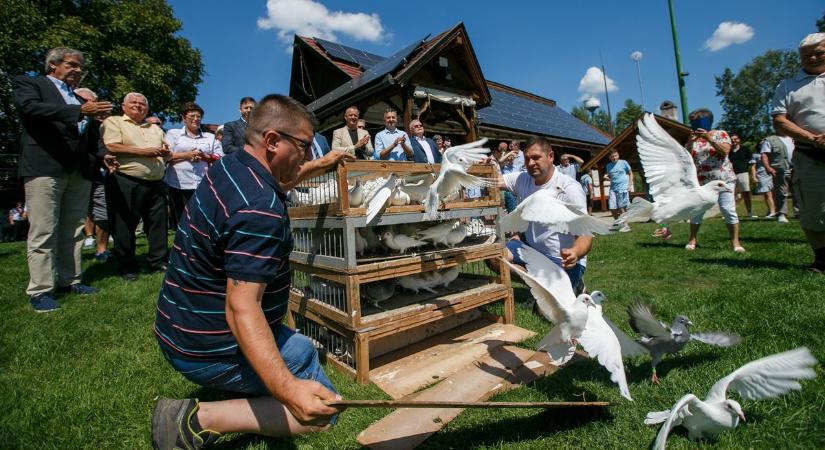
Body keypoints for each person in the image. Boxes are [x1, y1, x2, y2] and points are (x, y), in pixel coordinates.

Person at [151, 94, 352, 449]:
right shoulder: (261, 210)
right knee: (324, 407)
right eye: (305, 146)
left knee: (301, 348)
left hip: (177, 323)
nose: (309, 154)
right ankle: (195, 419)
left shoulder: (233, 166)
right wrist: (290, 392)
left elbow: (283, 177)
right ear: (273, 140)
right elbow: (241, 307)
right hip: (203, 345)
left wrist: (325, 164)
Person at [13, 47, 112, 312]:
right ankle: (41, 290)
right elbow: (29, 108)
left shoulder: (80, 98)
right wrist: (80, 111)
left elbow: (89, 135)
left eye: (81, 67)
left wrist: (103, 155)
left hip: (78, 171)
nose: (78, 71)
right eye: (72, 65)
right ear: (53, 64)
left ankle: (71, 280)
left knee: (74, 229)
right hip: (45, 166)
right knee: (44, 230)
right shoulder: (32, 84)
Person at [498, 136, 591, 293]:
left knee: (548, 315)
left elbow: (585, 237)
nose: (530, 163)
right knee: (495, 255)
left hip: (561, 260)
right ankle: (540, 287)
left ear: (550, 156)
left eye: (536, 157)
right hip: (533, 252)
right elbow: (494, 181)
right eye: (527, 159)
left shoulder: (570, 189)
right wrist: (486, 167)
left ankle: (573, 284)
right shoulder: (522, 178)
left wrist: (575, 252)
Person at [771, 32, 825, 273]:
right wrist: (813, 139)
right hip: (810, 156)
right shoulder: (788, 86)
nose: (812, 58)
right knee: (811, 210)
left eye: (819, 52)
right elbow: (780, 121)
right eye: (806, 55)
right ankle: (822, 260)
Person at [102, 92, 170, 281]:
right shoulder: (114, 122)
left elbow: (165, 151)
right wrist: (143, 152)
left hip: (156, 181)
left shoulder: (154, 128)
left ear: (147, 109)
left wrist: (164, 152)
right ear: (123, 106)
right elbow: (111, 146)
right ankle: (127, 265)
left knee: (158, 224)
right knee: (124, 224)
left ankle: (158, 261)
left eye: (142, 104)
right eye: (133, 102)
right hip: (126, 179)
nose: (138, 105)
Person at [684, 108, 745, 253]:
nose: (695, 124)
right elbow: (687, 158)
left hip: (724, 180)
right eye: (692, 122)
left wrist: (709, 138)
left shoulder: (720, 134)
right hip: (703, 182)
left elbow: (725, 151)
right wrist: (691, 142)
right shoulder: (693, 139)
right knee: (697, 211)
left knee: (728, 209)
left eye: (697, 121)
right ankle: (692, 240)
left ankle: (735, 243)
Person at [164, 102, 223, 226]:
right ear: (184, 118)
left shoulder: (210, 137)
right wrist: (186, 155)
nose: (196, 119)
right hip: (178, 183)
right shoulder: (173, 134)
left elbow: (219, 156)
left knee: (203, 218)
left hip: (202, 183)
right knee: (182, 218)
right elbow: (165, 156)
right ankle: (183, 244)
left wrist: (204, 157)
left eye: (198, 117)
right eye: (192, 116)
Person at [74, 87, 112, 261]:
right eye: (82, 101)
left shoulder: (97, 126)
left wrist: (106, 156)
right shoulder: (64, 121)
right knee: (73, 216)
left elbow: (100, 146)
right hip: (71, 173)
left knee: (103, 213)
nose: (87, 105)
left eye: (90, 101)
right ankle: (72, 253)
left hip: (95, 174)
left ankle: (102, 248)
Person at [759, 134, 794, 223]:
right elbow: (764, 155)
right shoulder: (769, 140)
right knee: (781, 192)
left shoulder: (793, 138)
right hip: (780, 169)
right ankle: (781, 214)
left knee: (799, 191)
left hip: (796, 168)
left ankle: (799, 213)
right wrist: (768, 167)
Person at [604, 149, 632, 232]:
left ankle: (626, 225)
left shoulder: (623, 162)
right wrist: (607, 177)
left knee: (621, 207)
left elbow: (630, 173)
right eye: (612, 156)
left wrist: (630, 185)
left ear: (618, 155)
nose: (614, 157)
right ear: (609, 157)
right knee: (612, 207)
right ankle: (618, 223)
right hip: (613, 188)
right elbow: (610, 176)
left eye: (615, 155)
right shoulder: (608, 165)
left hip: (622, 188)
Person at [728, 134, 755, 218]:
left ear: (739, 140)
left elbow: (752, 162)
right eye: (732, 139)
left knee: (746, 193)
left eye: (735, 139)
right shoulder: (727, 150)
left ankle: (749, 212)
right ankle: (731, 213)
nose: (733, 141)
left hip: (743, 173)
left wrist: (753, 174)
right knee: (730, 194)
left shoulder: (745, 149)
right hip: (730, 174)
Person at [752, 150, 776, 217]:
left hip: (771, 174)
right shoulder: (755, 155)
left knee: (770, 194)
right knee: (766, 194)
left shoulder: (770, 153)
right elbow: (753, 167)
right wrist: (754, 177)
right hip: (761, 175)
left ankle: (772, 211)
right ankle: (771, 210)